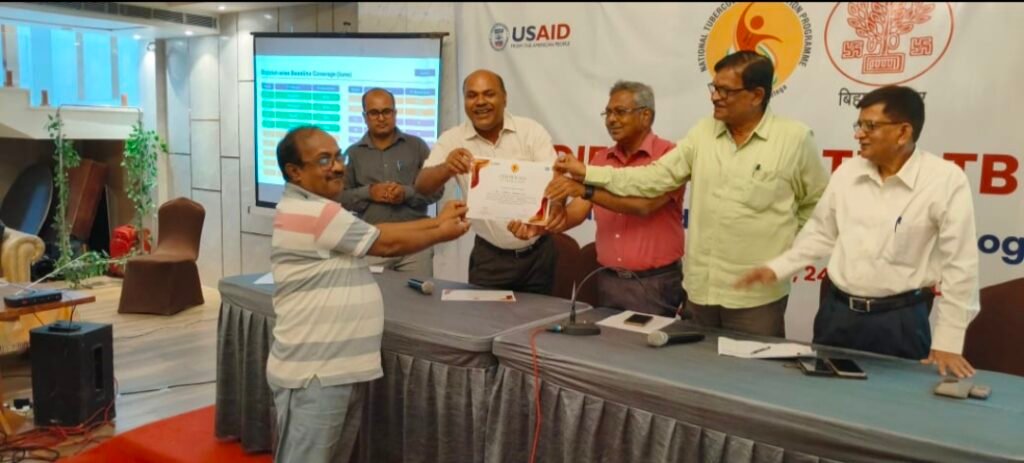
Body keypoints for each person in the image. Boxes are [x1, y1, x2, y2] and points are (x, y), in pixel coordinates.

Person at [550, 51, 829, 336]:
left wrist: (786, 256)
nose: (715, 97)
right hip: (700, 295)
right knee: (690, 363)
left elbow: (819, 207)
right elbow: (652, 178)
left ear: (756, 95)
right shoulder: (703, 133)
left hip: (756, 298)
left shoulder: (794, 139)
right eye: (714, 88)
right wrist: (587, 172)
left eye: (725, 91)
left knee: (749, 365)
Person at [737, 86, 980, 378]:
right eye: (859, 125)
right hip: (837, 315)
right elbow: (820, 233)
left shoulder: (945, 180)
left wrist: (949, 341)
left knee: (892, 400)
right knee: (823, 395)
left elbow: (960, 265)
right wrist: (777, 268)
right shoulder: (848, 172)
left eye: (870, 126)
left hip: (899, 321)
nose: (859, 134)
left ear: (903, 132)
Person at [269, 126, 470, 463]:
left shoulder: (319, 209)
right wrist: (441, 232)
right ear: (295, 172)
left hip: (335, 369)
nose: (337, 167)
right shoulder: (311, 213)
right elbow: (385, 243)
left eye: (338, 157)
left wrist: (439, 222)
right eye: (324, 160)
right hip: (316, 374)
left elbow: (376, 231)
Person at [513, 81, 685, 316]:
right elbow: (576, 213)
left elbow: (644, 206)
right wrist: (539, 227)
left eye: (620, 112)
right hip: (607, 280)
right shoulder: (600, 160)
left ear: (646, 116)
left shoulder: (670, 156)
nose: (611, 119)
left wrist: (584, 190)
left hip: (655, 284)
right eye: (608, 113)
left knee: (651, 342)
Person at [415, 69, 562, 295]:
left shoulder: (531, 131)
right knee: (484, 316)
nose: (480, 102)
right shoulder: (452, 139)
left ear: (505, 98)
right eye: (472, 95)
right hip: (490, 258)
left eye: (489, 94)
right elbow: (422, 187)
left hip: (538, 255)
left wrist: (546, 215)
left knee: (539, 317)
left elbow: (557, 185)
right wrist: (447, 167)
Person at [341, 88, 443, 277]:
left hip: (416, 244)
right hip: (372, 244)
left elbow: (437, 190)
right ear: (365, 117)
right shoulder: (353, 153)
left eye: (386, 111)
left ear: (395, 113)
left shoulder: (417, 146)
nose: (381, 118)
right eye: (374, 113)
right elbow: (341, 198)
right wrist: (369, 192)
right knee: (372, 294)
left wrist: (406, 193)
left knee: (418, 295)